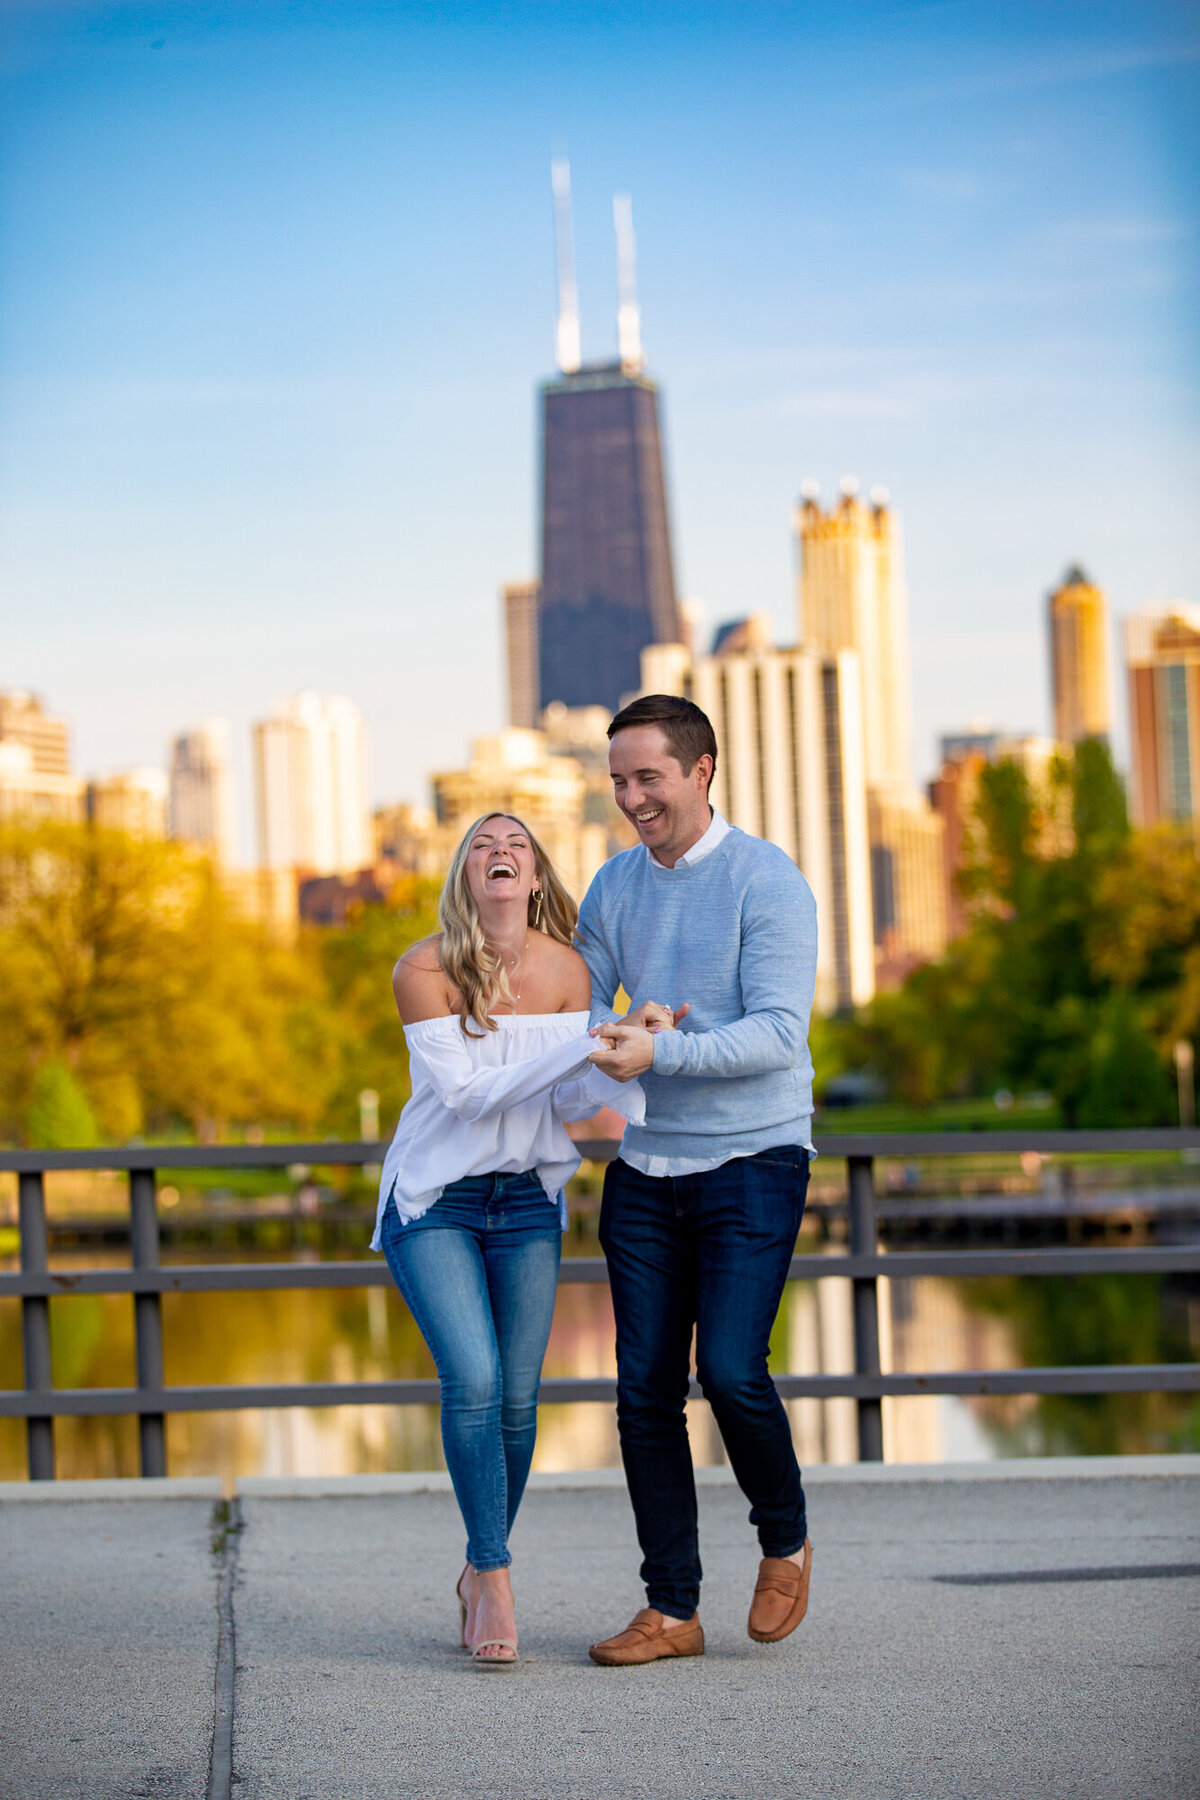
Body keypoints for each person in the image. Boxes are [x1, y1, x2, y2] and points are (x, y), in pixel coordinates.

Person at [372, 811, 643, 1667]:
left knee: (522, 1405)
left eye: (516, 845)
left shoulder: (571, 970)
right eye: (483, 845)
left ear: (535, 879)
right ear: (464, 876)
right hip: (434, 1200)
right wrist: (579, 1049)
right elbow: (467, 1097)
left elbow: (564, 1106)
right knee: (477, 1380)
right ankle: (493, 1572)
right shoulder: (424, 969)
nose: (500, 852)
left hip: (526, 1200)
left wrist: (627, 1050)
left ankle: (476, 1564)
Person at [581, 693, 818, 1666]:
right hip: (646, 1167)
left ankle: (785, 1532)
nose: (633, 798)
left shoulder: (769, 880)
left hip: (755, 1157)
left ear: (702, 769)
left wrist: (665, 1052)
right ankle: (671, 1610)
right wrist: (606, 1037)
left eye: (649, 778)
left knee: (728, 1367)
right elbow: (585, 1003)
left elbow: (778, 1034)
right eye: (619, 782)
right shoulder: (614, 886)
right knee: (643, 1391)